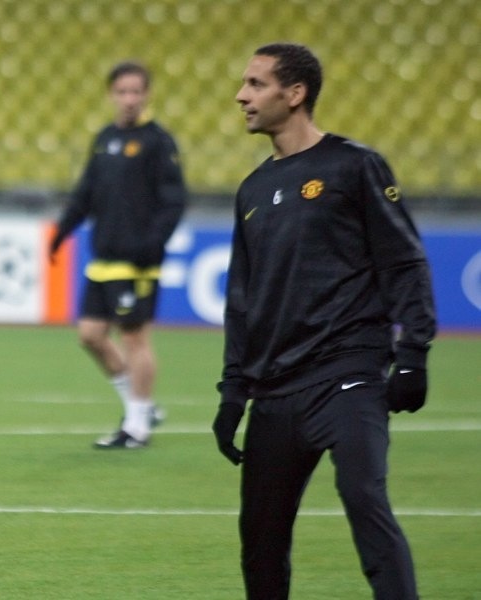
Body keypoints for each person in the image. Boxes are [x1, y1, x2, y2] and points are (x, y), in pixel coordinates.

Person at [212, 42, 436, 599]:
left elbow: (403, 261)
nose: (241, 95)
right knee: (260, 539)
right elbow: (242, 300)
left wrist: (413, 354)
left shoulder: (354, 165)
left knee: (365, 499)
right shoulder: (252, 189)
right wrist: (233, 391)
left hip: (347, 375)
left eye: (256, 84)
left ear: (295, 93)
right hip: (274, 389)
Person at [50, 60, 187, 449]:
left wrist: (153, 243)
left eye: (136, 92)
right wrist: (62, 230)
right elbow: (86, 191)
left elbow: (174, 200)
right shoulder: (105, 138)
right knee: (91, 335)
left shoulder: (158, 141)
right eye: (123, 91)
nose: (129, 99)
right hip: (104, 258)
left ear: (147, 95)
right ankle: (141, 406)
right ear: (112, 94)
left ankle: (137, 427)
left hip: (137, 261)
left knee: (134, 339)